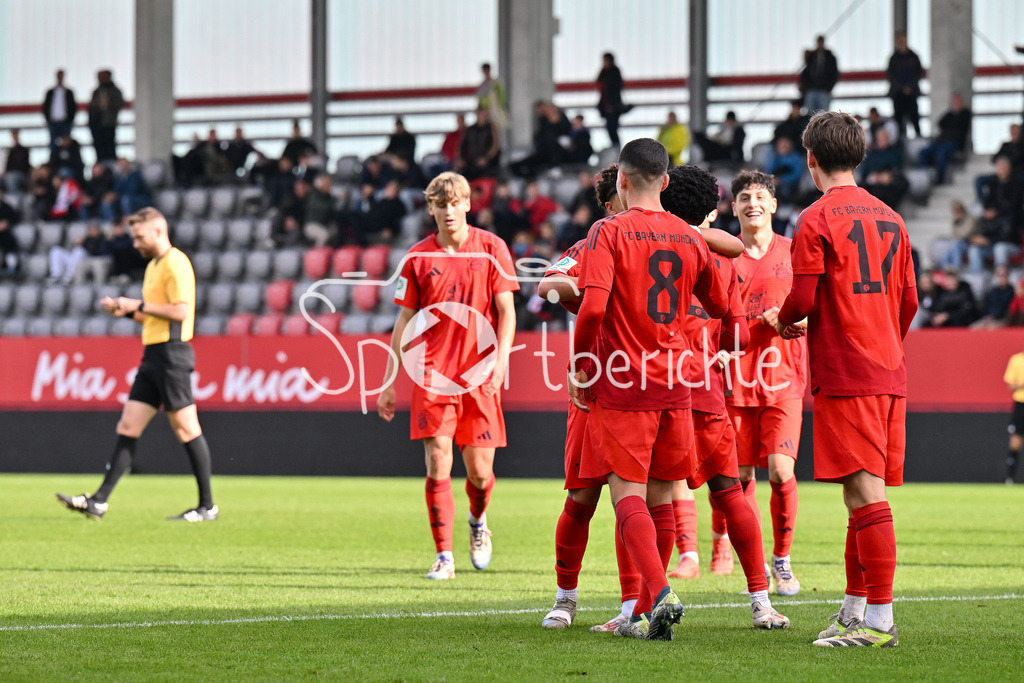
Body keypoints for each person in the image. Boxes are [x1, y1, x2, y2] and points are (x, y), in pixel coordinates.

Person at [570, 138, 730, 640]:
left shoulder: (608, 230)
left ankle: (658, 594)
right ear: (665, 181)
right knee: (663, 495)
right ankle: (642, 615)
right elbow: (721, 304)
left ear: (620, 179)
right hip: (677, 382)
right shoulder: (689, 237)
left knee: (626, 494)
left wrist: (581, 368)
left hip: (624, 380)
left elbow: (592, 308)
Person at [776, 110, 917, 648]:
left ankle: (880, 621)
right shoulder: (893, 219)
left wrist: (785, 320)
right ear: (859, 157)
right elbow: (910, 302)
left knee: (865, 492)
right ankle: (855, 608)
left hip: (847, 369)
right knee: (859, 497)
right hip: (889, 369)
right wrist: (885, 338)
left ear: (811, 159)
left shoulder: (815, 218)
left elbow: (804, 299)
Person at [661, 164, 790, 629]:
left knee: (653, 494)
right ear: (713, 210)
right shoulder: (724, 258)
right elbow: (735, 336)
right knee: (731, 491)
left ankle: (644, 603)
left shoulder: (637, 242)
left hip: (654, 389)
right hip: (708, 389)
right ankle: (761, 600)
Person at [376, 172, 518, 580]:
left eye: (456, 202)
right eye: (441, 203)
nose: (449, 210)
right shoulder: (418, 258)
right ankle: (443, 555)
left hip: (479, 375)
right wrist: (389, 380)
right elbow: (403, 321)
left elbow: (506, 311)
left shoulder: (493, 248)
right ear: (431, 208)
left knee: (479, 473)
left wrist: (502, 361)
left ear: (468, 204)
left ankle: (478, 520)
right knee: (438, 459)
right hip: (432, 375)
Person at [56, 207, 218, 522]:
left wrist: (138, 305)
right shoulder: (154, 266)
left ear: (158, 231)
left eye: (139, 236)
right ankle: (98, 502)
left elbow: (181, 312)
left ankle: (207, 506)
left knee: (187, 429)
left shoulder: (175, 262)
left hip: (172, 354)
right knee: (128, 425)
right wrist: (127, 312)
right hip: (153, 354)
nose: (135, 243)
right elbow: (154, 314)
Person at [538, 164, 640, 631]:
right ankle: (565, 596)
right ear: (610, 203)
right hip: (597, 385)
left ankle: (631, 606)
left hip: (645, 388)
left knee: (634, 502)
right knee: (582, 499)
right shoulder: (589, 245)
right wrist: (588, 293)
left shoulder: (664, 237)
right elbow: (548, 285)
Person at [724, 169, 808, 597]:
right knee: (739, 482)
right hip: (734, 383)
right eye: (743, 197)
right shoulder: (723, 257)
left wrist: (795, 319)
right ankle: (754, 567)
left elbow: (818, 309)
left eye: (759, 196)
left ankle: (783, 561)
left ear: (773, 204)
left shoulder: (795, 253)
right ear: (733, 207)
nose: (751, 203)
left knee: (779, 471)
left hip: (783, 380)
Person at [967, 157, 1024, 272]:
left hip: (1009, 244)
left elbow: (1007, 236)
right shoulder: (993, 185)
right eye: (999, 168)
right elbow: (983, 232)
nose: (1001, 170)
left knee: (1000, 248)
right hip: (992, 242)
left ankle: (1001, 280)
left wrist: (988, 240)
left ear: (1009, 169)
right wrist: (977, 238)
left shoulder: (1011, 215)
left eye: (1003, 168)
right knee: (974, 249)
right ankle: (977, 279)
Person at [917, 93, 972, 184]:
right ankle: (924, 178)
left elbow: (959, 126)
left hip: (955, 143)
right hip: (941, 142)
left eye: (958, 102)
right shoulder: (949, 114)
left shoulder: (965, 113)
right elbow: (940, 123)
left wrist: (951, 125)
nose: (956, 104)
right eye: (954, 102)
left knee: (942, 153)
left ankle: (940, 179)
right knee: (923, 152)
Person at [886, 32, 924, 138]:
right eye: (899, 41)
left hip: (911, 94)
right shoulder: (893, 59)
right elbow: (891, 76)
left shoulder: (914, 57)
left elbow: (918, 73)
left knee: (914, 118)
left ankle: (918, 139)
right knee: (899, 121)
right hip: (898, 94)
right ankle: (900, 143)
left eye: (903, 40)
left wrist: (910, 87)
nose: (901, 43)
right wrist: (901, 88)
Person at [87, 69, 124, 162]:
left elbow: (120, 104)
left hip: (109, 123)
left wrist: (108, 103)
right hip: (96, 123)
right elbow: (92, 106)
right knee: (99, 147)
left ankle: (110, 167)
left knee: (109, 147)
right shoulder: (97, 91)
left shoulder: (115, 91)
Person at [596, 52, 631, 147]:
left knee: (612, 128)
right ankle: (615, 148)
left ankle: (616, 148)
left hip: (613, 107)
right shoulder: (605, 72)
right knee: (610, 129)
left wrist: (612, 105)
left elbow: (614, 89)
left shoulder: (614, 72)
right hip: (607, 106)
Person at [799, 36, 839, 113]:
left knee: (823, 115)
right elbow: (806, 73)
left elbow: (834, 74)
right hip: (812, 89)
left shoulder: (830, 57)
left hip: (824, 90)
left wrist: (828, 88)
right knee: (810, 115)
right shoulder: (812, 57)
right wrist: (807, 88)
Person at [42, 69, 78, 152]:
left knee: (67, 144)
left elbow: (73, 107)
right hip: (53, 122)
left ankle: (66, 160)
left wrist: (70, 120)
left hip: (65, 121)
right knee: (53, 144)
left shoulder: (69, 92)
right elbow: (45, 107)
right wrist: (48, 119)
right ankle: (53, 162)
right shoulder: (50, 92)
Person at [1003, 346, 1024, 484]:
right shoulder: (1017, 360)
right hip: (1021, 403)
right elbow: (1010, 385)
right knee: (1015, 441)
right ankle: (1010, 478)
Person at [476, 63, 508, 132]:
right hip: (486, 111)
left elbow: (502, 96)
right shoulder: (482, 85)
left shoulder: (496, 83)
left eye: (487, 70)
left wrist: (500, 107)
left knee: (497, 128)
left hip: (495, 110)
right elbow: (480, 99)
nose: (486, 72)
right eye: (485, 71)